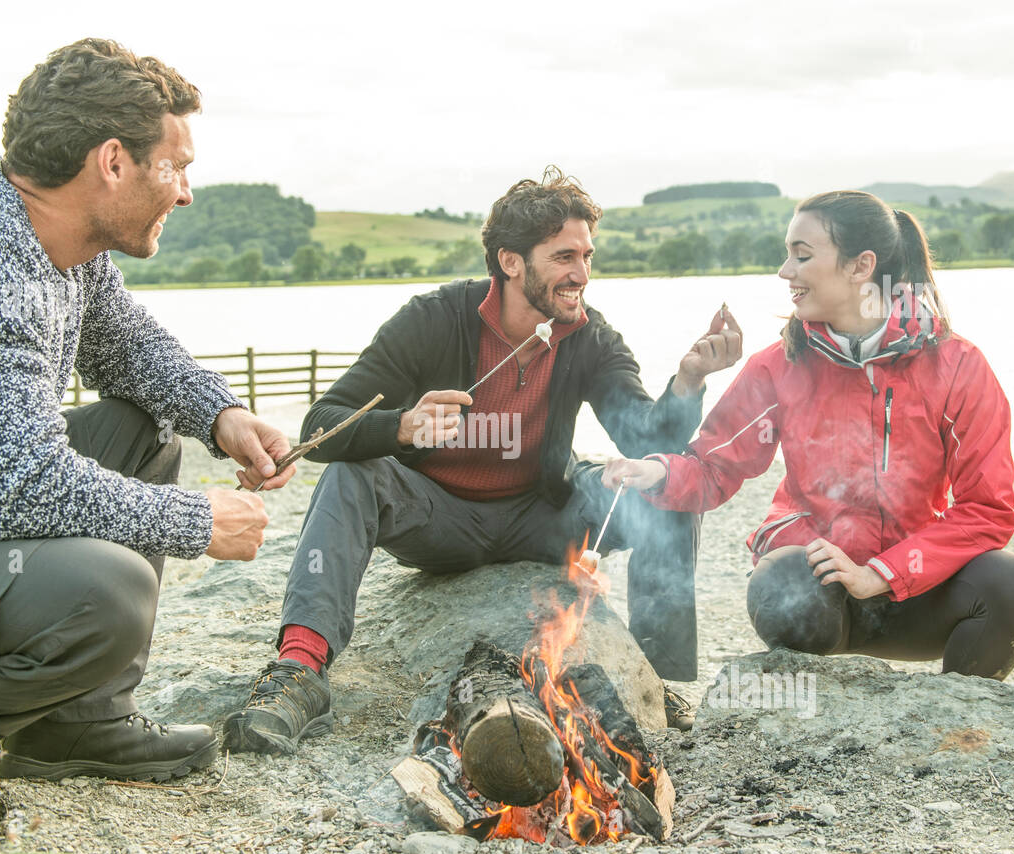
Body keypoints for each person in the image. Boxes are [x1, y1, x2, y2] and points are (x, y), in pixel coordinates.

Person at [0, 38, 293, 833]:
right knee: (104, 591)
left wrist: (223, 414)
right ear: (113, 161)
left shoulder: (51, 234)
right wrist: (197, 522)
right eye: (176, 166)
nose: (185, 192)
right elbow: (11, 485)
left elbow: (129, 347)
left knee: (143, 433)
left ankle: (72, 722)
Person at [221, 168, 743, 756]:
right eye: (563, 256)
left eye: (588, 255)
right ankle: (299, 672)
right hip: (440, 521)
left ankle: (652, 678)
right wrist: (400, 425)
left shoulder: (589, 335)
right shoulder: (434, 318)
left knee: (665, 488)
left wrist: (692, 378)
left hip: (542, 516)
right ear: (511, 262)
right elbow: (323, 424)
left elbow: (649, 434)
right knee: (351, 474)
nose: (581, 274)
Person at [603, 190, 1014, 681]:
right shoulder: (778, 365)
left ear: (861, 267)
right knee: (780, 583)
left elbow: (987, 510)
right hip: (822, 600)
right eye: (787, 253)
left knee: (1011, 585)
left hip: (919, 592)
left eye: (802, 255)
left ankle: (958, 719)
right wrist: (656, 471)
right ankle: (817, 711)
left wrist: (881, 573)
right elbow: (713, 468)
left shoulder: (958, 366)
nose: (784, 271)